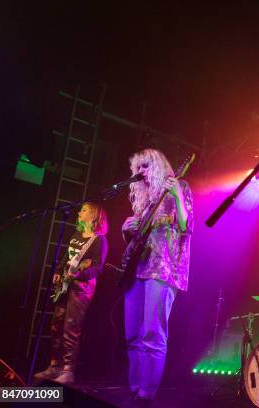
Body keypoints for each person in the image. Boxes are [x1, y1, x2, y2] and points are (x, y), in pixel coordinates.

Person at [121, 149, 193, 404]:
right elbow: (138, 241)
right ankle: (135, 387)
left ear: (158, 165)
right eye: (137, 168)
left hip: (163, 269)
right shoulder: (147, 200)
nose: (140, 172)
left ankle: (147, 393)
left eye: (144, 166)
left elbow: (186, 227)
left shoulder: (178, 187)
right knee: (132, 334)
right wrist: (126, 229)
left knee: (152, 333)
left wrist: (177, 196)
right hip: (137, 270)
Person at [33, 202, 108, 384]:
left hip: (82, 288)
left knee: (71, 328)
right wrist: (59, 271)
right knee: (56, 325)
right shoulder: (75, 235)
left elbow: (97, 268)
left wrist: (80, 274)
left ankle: (68, 370)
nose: (79, 212)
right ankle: (54, 366)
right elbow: (67, 257)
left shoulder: (99, 240)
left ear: (94, 215)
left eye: (84, 210)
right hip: (65, 286)